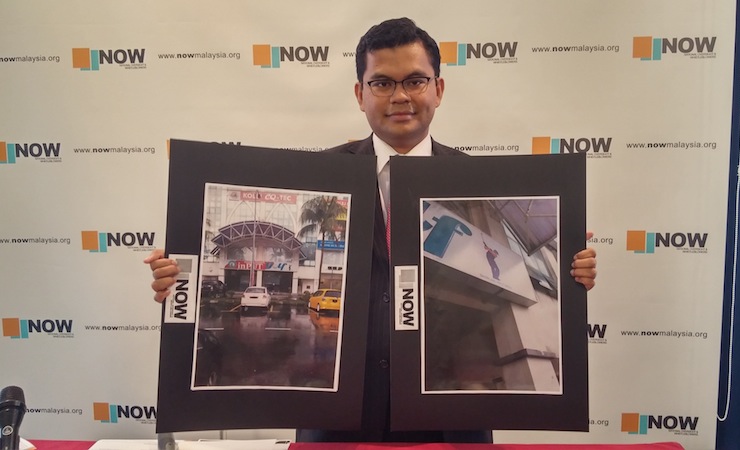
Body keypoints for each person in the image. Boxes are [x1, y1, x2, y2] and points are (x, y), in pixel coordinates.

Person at [145, 17, 597, 443]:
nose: (399, 95)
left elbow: (522, 272)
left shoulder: (478, 188)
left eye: (415, 80)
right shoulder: (316, 179)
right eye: (382, 82)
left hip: (451, 422)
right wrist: (180, 273)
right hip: (337, 422)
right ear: (360, 93)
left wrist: (572, 273)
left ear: (438, 89)